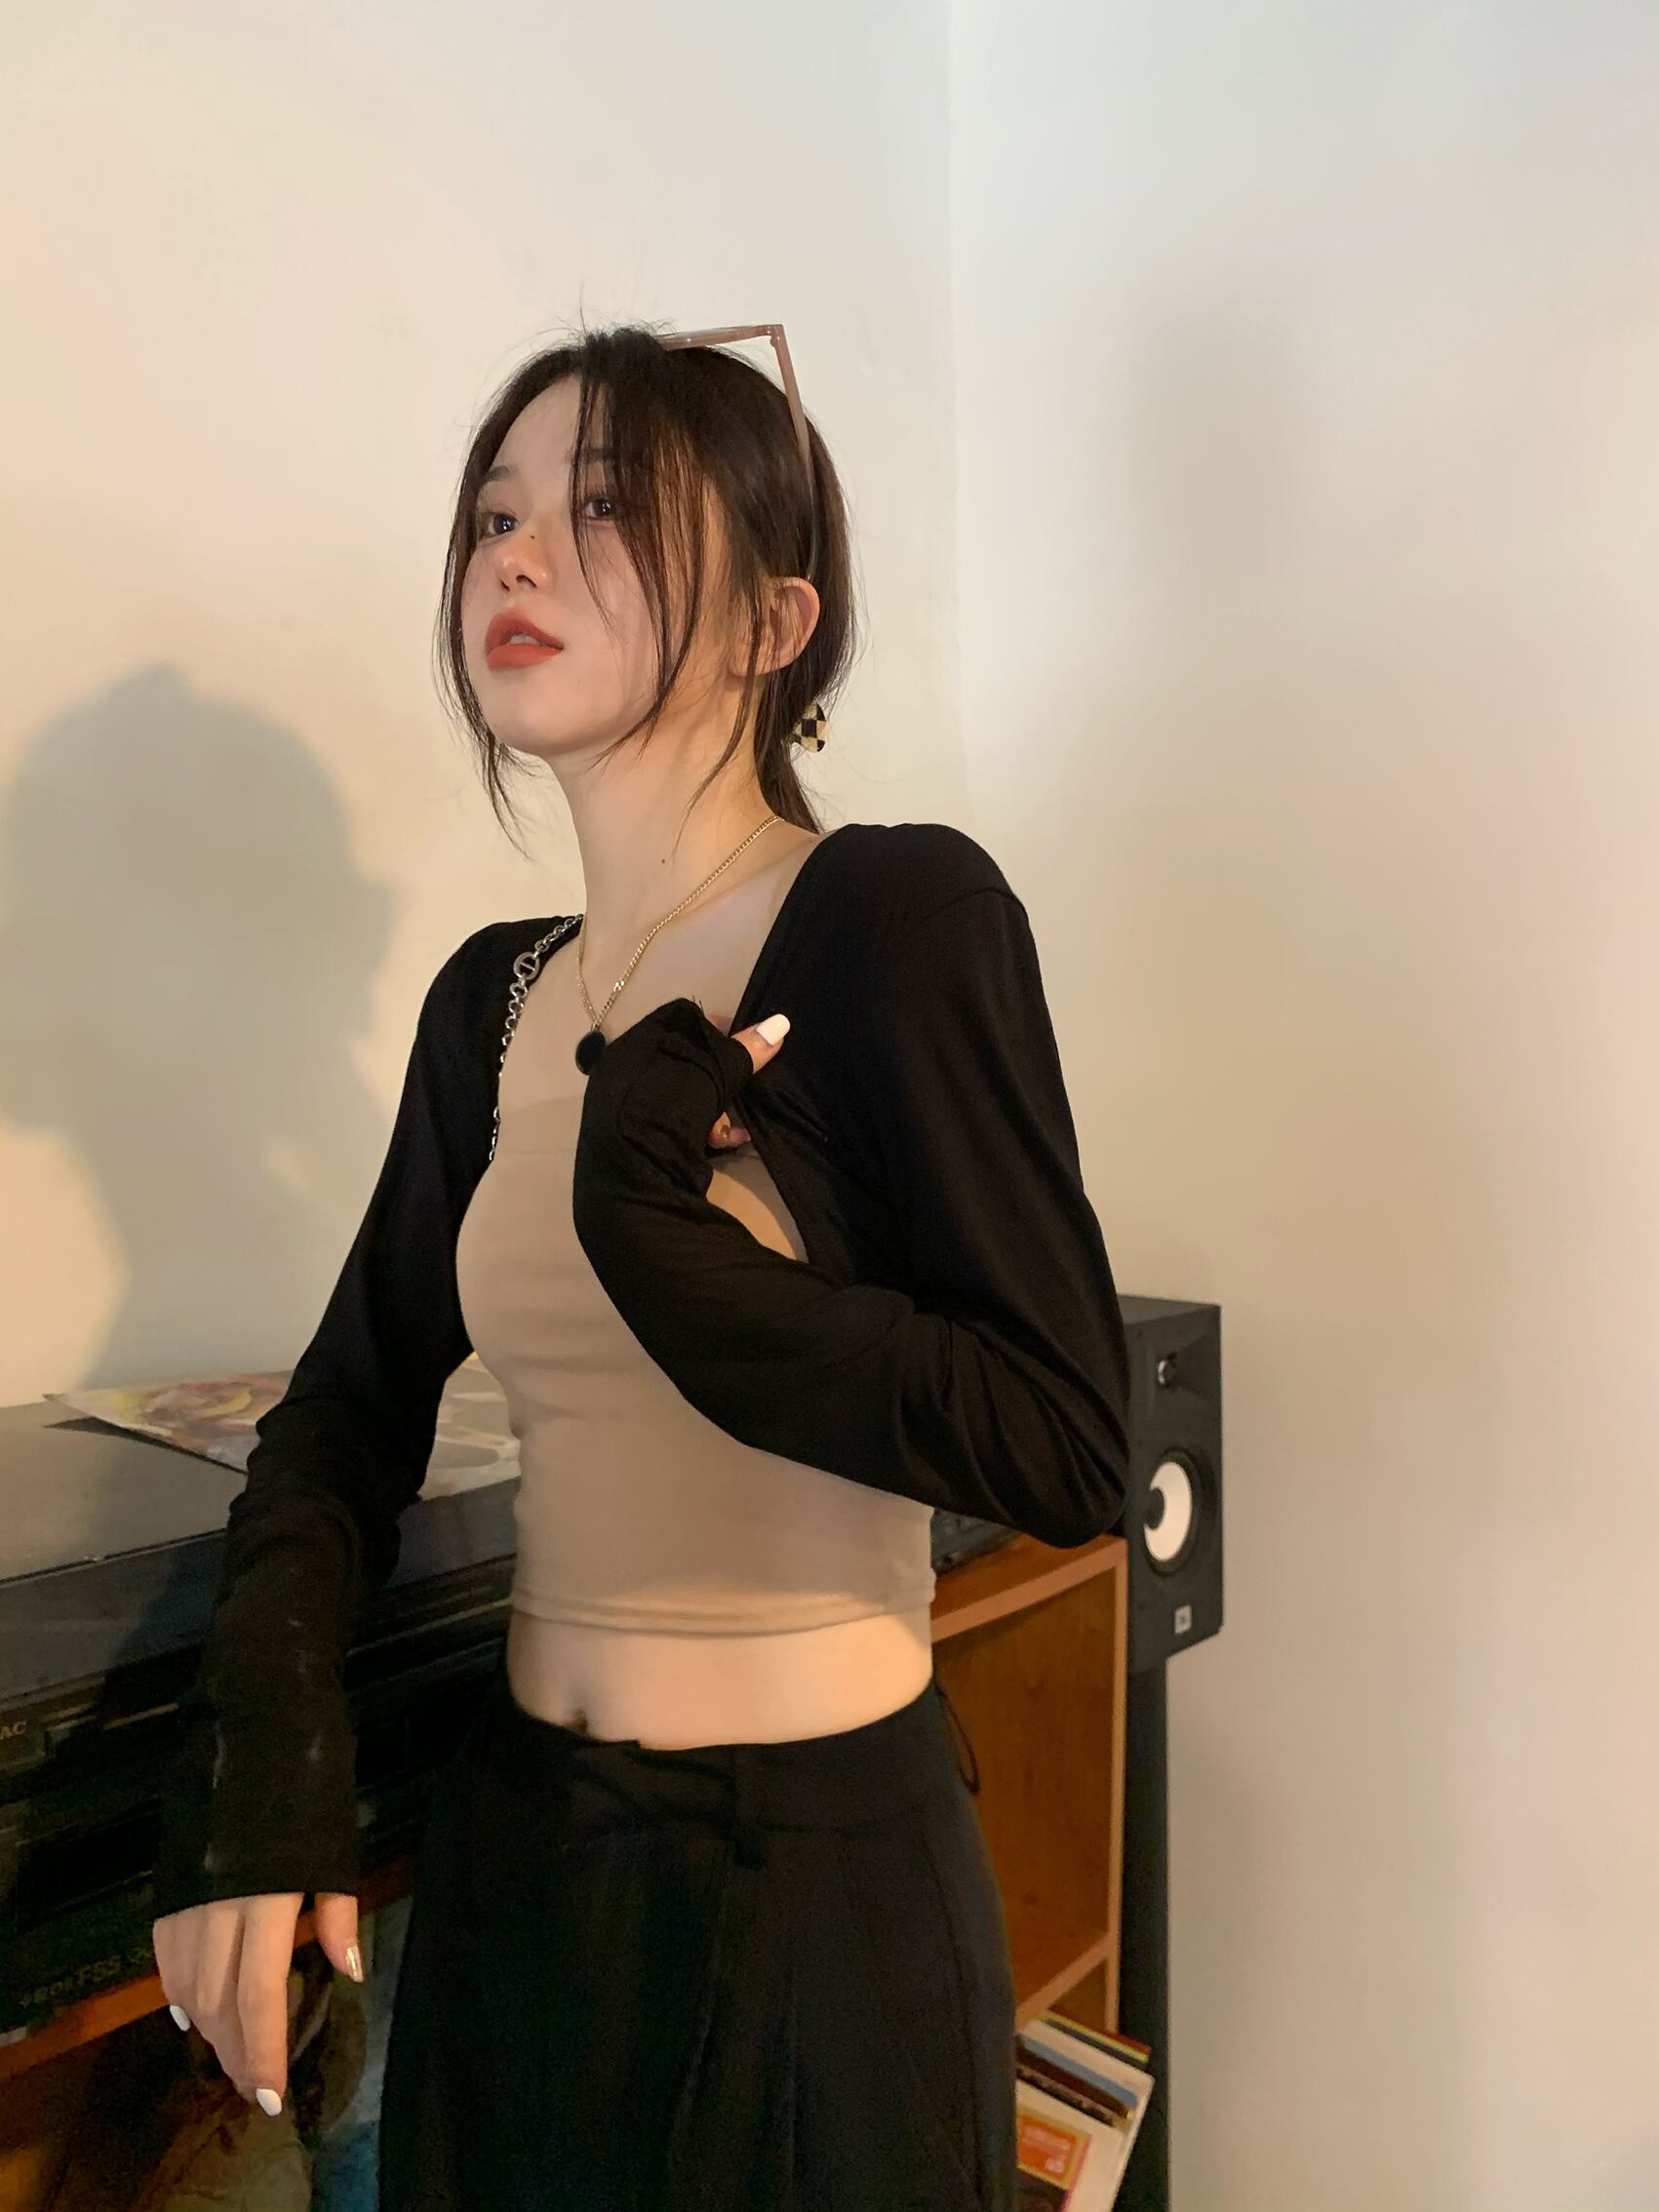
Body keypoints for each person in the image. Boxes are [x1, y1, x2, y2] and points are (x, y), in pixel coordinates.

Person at [149, 321, 1133, 2209]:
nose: (512, 556)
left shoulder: (889, 917)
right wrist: (257, 1784)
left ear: (772, 621)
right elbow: (344, 1414)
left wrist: (654, 1241)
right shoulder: (494, 996)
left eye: (602, 510)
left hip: (818, 1892)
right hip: (525, 1863)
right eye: (492, 515)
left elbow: (1063, 1442)